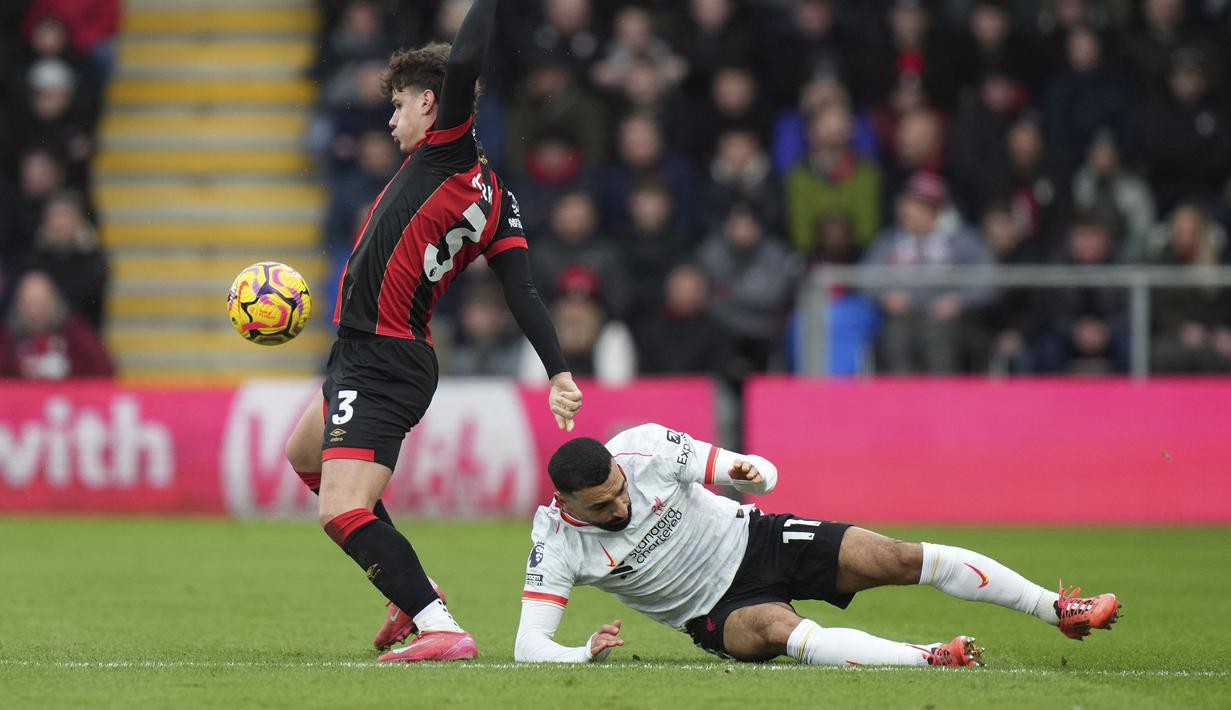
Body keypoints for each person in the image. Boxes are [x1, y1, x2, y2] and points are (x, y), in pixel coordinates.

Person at [281, 0, 583, 664]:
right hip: (369, 351)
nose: (390, 120)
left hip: (383, 357)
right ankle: (405, 590)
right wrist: (558, 369)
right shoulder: (495, 196)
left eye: (397, 107)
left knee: (339, 508)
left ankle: (438, 623)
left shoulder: (445, 153)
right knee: (305, 454)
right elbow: (522, 289)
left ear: (430, 103)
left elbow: (466, 61)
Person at [514, 424, 1120, 666]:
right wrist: (580, 653)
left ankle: (1056, 609)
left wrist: (755, 471)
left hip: (756, 539)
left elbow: (744, 467)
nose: (622, 506)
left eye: (621, 492)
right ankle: (930, 657)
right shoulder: (556, 541)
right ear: (567, 504)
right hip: (713, 613)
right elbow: (527, 645)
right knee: (782, 630)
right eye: (603, 507)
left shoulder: (644, 448)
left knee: (897, 557)